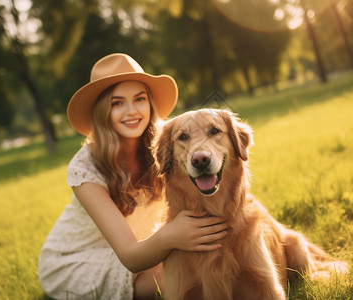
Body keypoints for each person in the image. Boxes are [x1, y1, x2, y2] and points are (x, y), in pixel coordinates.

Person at [38, 53, 228, 300]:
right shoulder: (85, 167)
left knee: (220, 260)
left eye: (139, 99)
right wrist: (171, 235)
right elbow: (129, 257)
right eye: (117, 103)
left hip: (145, 244)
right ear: (102, 111)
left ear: (150, 103)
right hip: (76, 259)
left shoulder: (166, 143)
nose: (132, 111)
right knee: (188, 279)